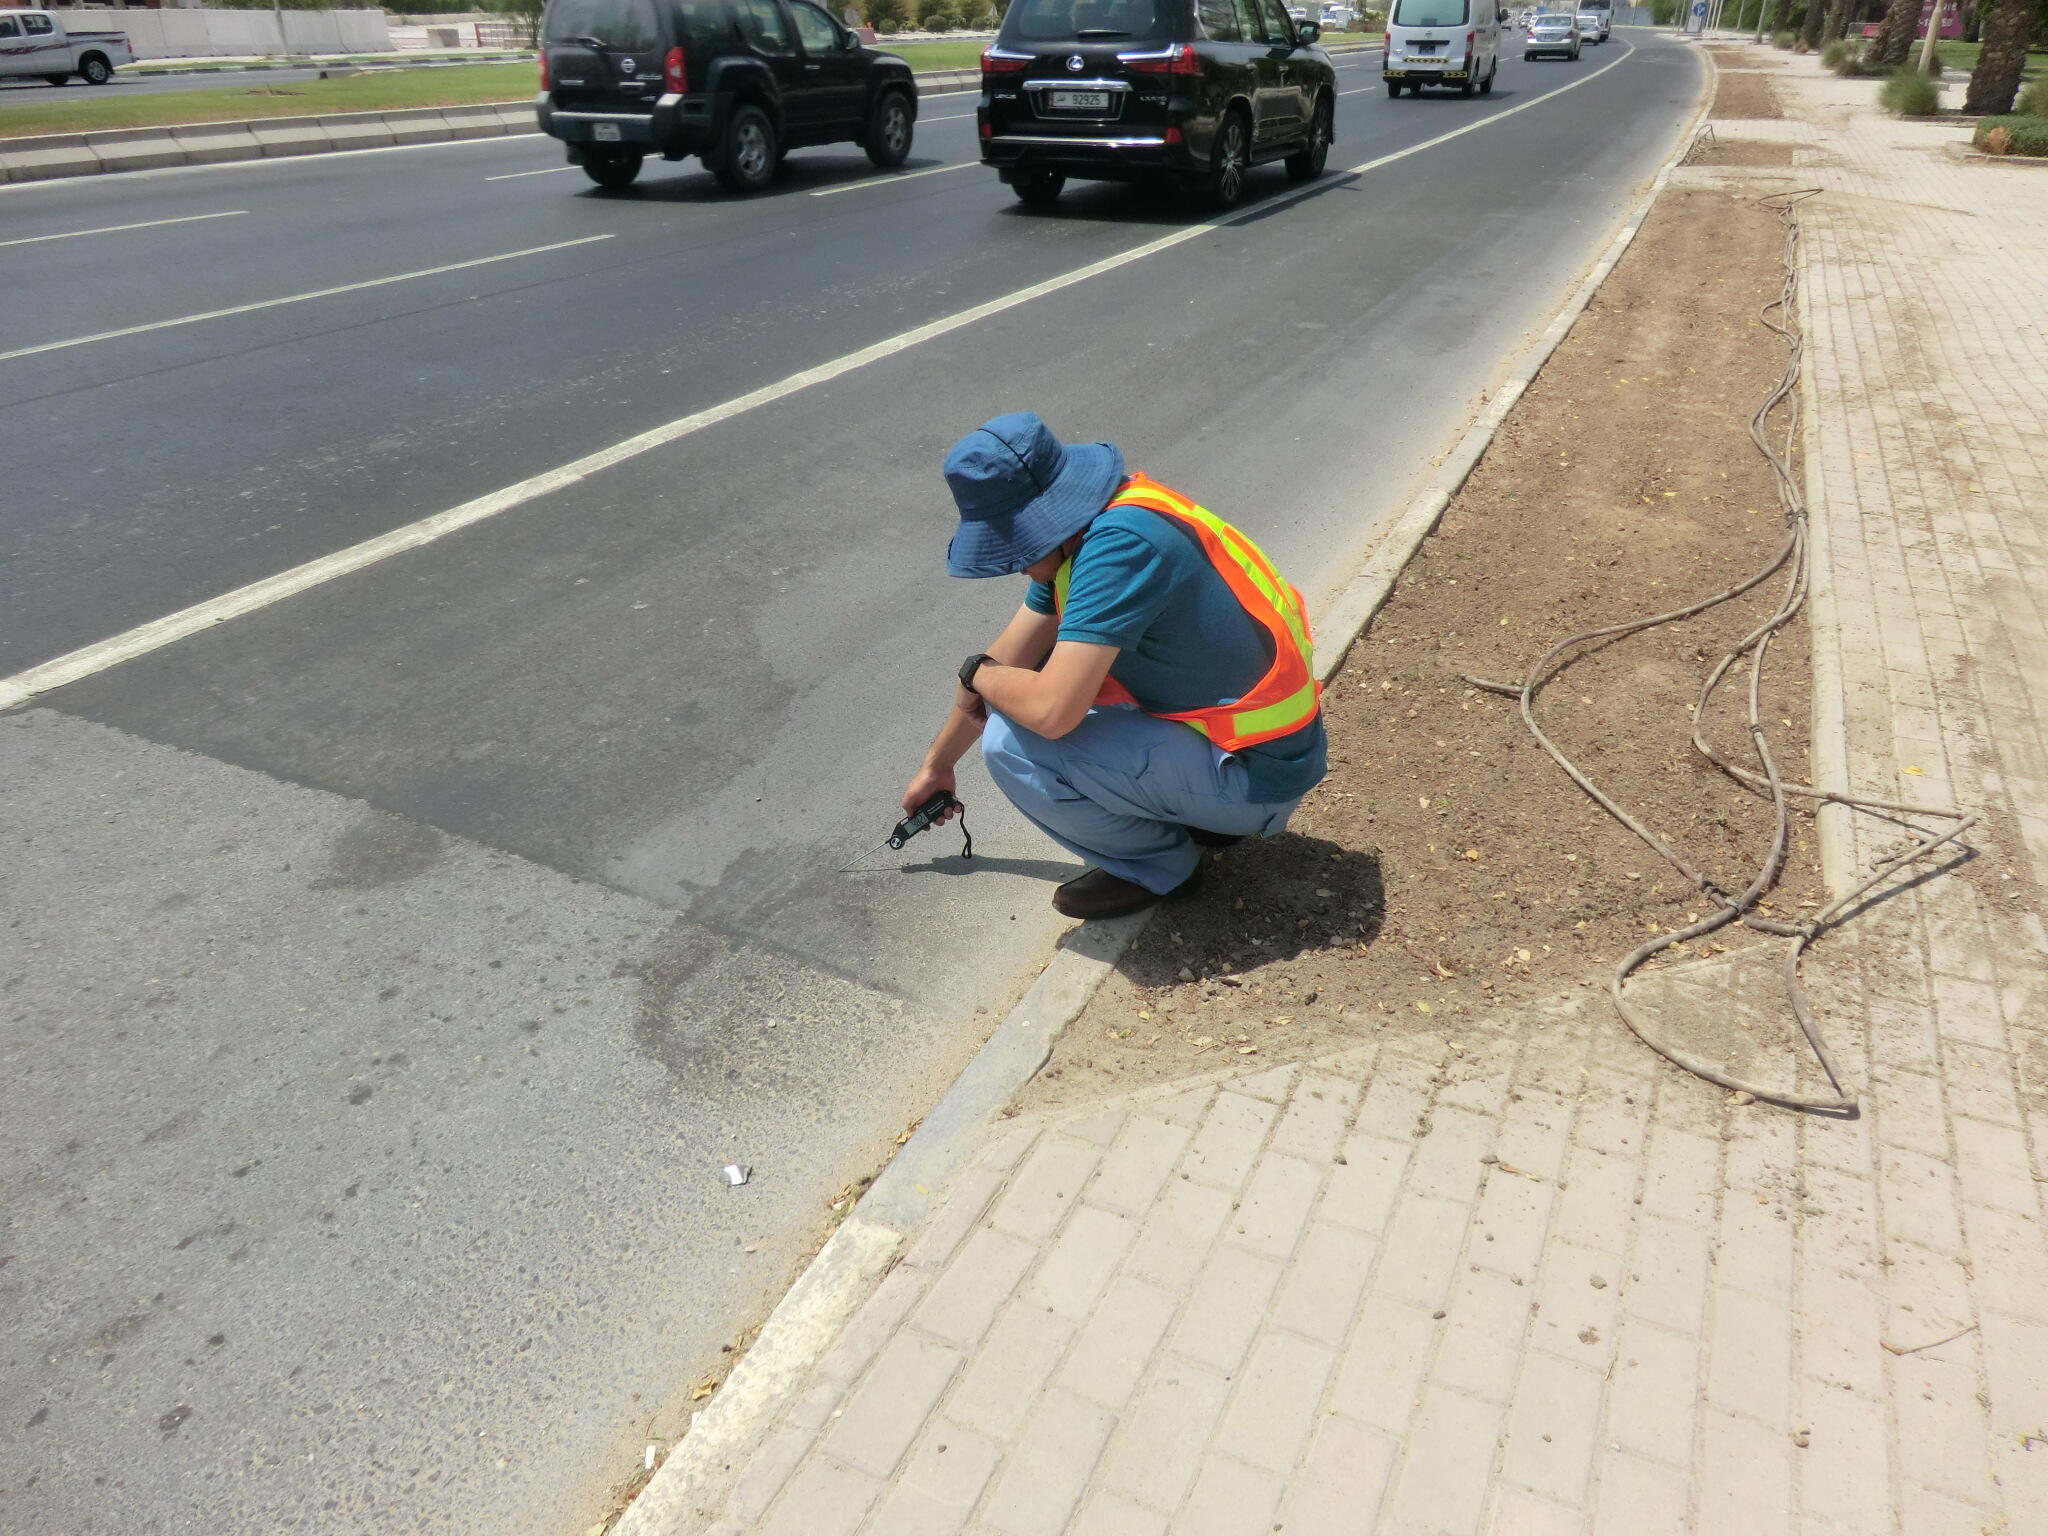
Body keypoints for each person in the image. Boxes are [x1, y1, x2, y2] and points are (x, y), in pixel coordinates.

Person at [900, 412, 1328, 921]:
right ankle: (1204, 820)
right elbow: (1007, 657)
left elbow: (1049, 710)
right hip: (1262, 753)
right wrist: (938, 765)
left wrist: (980, 674)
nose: (1014, 563)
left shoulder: (1117, 551)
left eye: (1011, 546)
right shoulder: (1104, 523)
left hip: (1257, 780)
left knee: (1010, 742)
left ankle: (1161, 867)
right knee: (1016, 692)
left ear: (1044, 527)